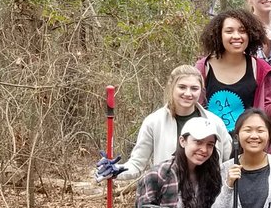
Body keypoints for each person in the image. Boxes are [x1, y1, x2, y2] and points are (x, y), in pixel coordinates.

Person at [96, 65, 232, 184]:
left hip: (209, 199)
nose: (188, 93)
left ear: (201, 90)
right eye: (182, 87)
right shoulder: (154, 122)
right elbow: (137, 165)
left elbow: (228, 163)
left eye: (194, 88)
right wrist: (116, 171)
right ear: (172, 87)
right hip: (168, 199)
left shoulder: (215, 123)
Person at [196, 9, 271, 134]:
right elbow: (194, 108)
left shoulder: (260, 68)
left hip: (249, 146)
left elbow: (265, 112)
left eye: (242, 31)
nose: (236, 36)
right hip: (212, 145)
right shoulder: (203, 67)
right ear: (218, 35)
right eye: (229, 31)